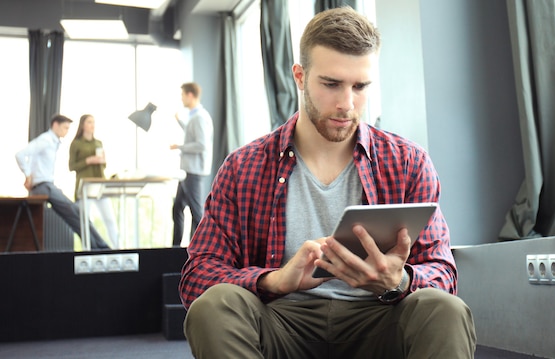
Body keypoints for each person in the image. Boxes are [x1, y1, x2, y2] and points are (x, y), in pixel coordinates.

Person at [180, 7, 476, 359]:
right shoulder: (243, 167)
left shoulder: (408, 162)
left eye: (360, 86)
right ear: (300, 77)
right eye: (331, 84)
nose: (346, 104)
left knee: (445, 310)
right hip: (281, 322)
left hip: (378, 320)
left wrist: (398, 281)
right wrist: (273, 280)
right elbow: (197, 274)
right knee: (214, 306)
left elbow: (443, 272)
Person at [15, 114, 110, 250]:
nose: (66, 131)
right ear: (55, 125)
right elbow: (20, 154)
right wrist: (28, 175)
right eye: (65, 127)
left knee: (76, 214)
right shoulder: (46, 140)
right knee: (75, 211)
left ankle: (97, 246)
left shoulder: (53, 142)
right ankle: (101, 247)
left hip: (47, 185)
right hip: (43, 186)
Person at [169, 82, 213, 247]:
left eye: (182, 95)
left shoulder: (200, 117)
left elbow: (202, 145)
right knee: (177, 208)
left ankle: (200, 248)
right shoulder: (195, 117)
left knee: (196, 211)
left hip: (193, 171)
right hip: (187, 170)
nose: (181, 99)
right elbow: (192, 131)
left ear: (190, 95)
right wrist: (179, 122)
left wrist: (179, 146)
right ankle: (176, 247)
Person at [69, 114, 119, 249]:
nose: (92, 125)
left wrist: (102, 161)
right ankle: (87, 249)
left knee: (110, 219)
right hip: (85, 186)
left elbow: (103, 165)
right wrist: (88, 161)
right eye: (89, 122)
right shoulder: (76, 144)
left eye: (93, 122)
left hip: (100, 185)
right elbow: (71, 166)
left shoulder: (98, 143)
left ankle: (118, 248)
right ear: (83, 125)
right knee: (85, 221)